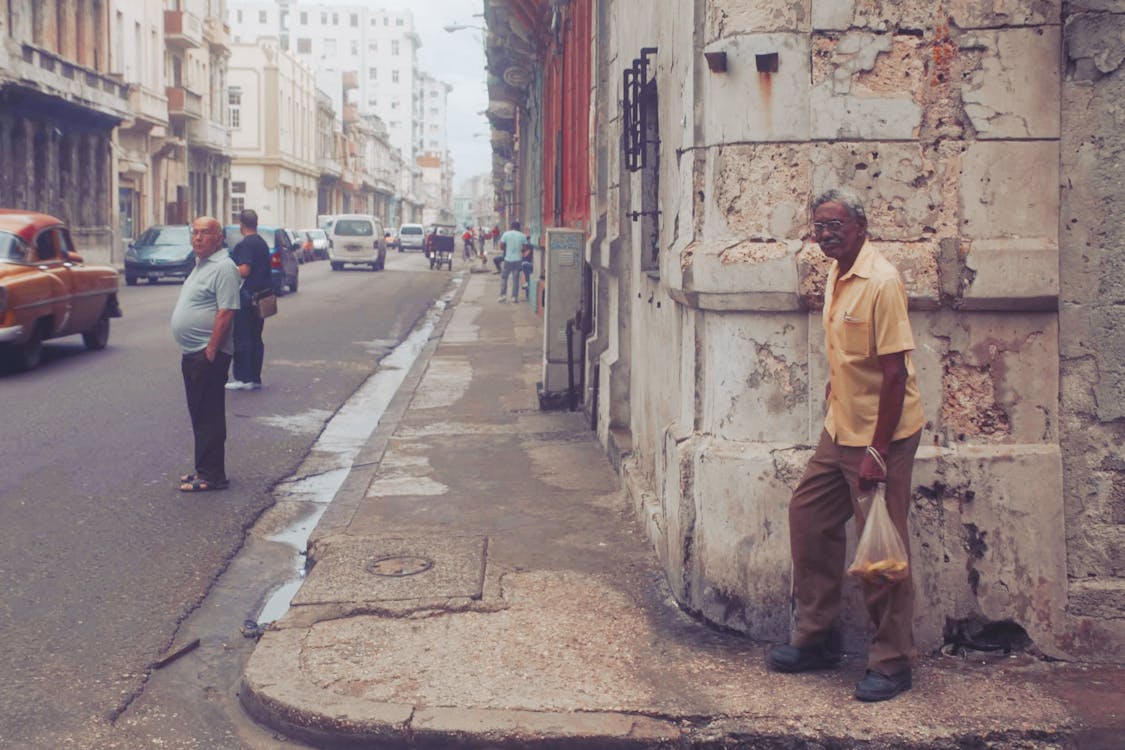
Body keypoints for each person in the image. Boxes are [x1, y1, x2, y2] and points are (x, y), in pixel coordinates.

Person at [765, 189, 925, 702]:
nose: (825, 233)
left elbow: (896, 372)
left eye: (835, 225)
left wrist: (878, 451)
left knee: (881, 549)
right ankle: (817, 639)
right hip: (840, 428)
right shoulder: (837, 271)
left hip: (882, 434)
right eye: (819, 226)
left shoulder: (881, 281)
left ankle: (893, 663)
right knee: (808, 518)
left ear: (861, 226)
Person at [171, 216, 242, 492]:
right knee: (199, 414)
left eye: (205, 233)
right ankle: (204, 469)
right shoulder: (202, 264)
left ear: (219, 237)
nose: (198, 238)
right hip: (194, 352)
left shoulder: (224, 267)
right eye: (195, 232)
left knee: (209, 415)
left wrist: (211, 350)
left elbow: (226, 312)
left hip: (207, 354)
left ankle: (213, 475)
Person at [227, 209, 272, 391]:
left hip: (247, 297)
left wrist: (228, 271)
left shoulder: (245, 244)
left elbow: (244, 270)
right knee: (255, 336)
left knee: (242, 336)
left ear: (241, 225)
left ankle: (243, 378)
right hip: (262, 297)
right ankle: (255, 377)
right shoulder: (262, 243)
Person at [497, 220, 529, 303]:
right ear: (519, 227)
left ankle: (503, 296)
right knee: (516, 279)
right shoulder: (522, 236)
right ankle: (514, 297)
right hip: (518, 260)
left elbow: (501, 246)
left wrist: (507, 249)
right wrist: (520, 250)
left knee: (504, 278)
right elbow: (525, 247)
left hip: (508, 260)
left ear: (511, 227)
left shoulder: (506, 234)